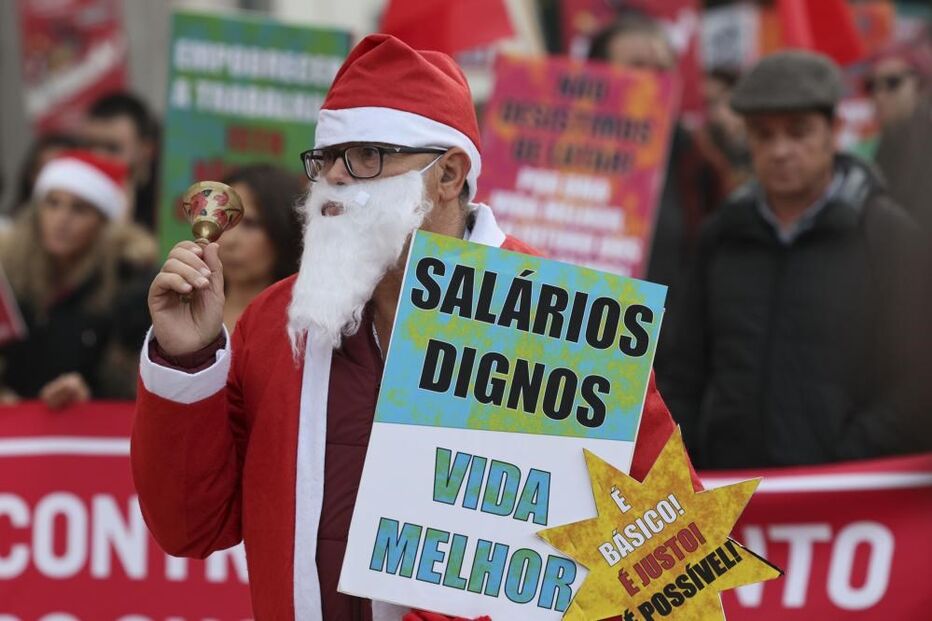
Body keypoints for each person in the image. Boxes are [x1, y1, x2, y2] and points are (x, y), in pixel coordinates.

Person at [659, 50, 928, 469]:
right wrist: (690, 462)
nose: (780, 150)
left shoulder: (888, 236)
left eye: (799, 132)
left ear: (834, 131)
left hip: (845, 489)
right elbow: (684, 371)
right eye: (763, 135)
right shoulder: (721, 236)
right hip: (731, 489)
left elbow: (919, 381)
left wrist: (848, 455)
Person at [587, 14, 724, 376]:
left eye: (663, 69)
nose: (654, 80)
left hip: (662, 370)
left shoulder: (696, 161)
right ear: (596, 76)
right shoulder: (546, 159)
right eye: (638, 66)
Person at [0, 150, 156, 407]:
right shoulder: (10, 273)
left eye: (79, 209)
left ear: (103, 222)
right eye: (52, 203)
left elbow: (135, 384)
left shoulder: (129, 281)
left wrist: (88, 395)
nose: (61, 220)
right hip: (18, 424)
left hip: (91, 423)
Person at [218, 164, 304, 328]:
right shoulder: (186, 309)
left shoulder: (300, 324)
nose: (229, 240)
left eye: (250, 224)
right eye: (223, 220)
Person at [870, 35, 932, 233]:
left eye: (892, 83)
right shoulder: (892, 136)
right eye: (872, 85)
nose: (879, 95)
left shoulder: (921, 138)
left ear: (920, 85)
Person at [82, 91, 160, 230]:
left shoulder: (167, 203)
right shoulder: (76, 193)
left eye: (112, 148)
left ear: (146, 149)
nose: (98, 158)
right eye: (90, 146)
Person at [5, 132, 83, 219]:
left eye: (63, 172)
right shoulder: (6, 224)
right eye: (44, 171)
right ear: (31, 175)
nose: (52, 180)